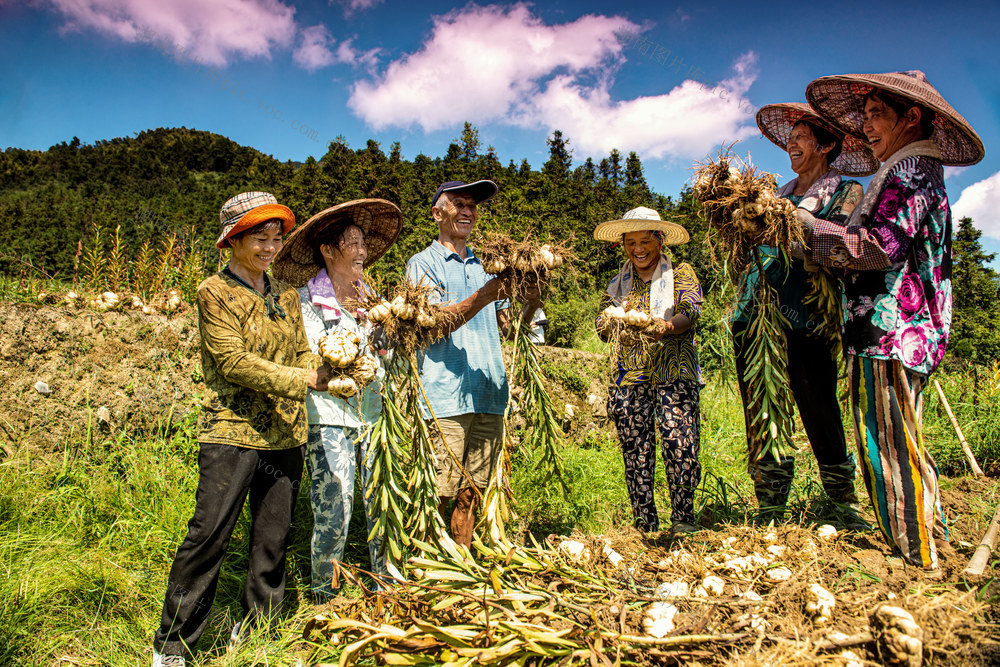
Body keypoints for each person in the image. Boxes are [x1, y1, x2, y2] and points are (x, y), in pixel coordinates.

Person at [802, 70, 984, 570]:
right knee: (902, 436)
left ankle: (915, 557)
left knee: (886, 442)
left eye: (877, 114)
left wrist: (807, 227)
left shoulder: (910, 172)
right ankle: (932, 540)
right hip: (900, 331)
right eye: (864, 116)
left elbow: (880, 246)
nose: (866, 126)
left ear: (912, 117)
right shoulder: (913, 172)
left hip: (890, 331)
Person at [152, 192, 330, 667]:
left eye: (277, 238)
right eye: (259, 238)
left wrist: (332, 367)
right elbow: (232, 361)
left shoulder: (286, 295)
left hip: (285, 433)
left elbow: (301, 353)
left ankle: (260, 631)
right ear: (233, 240)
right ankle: (172, 645)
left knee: (273, 537)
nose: (271, 247)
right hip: (231, 430)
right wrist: (305, 379)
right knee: (209, 535)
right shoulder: (215, 292)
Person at [736, 103, 876, 526]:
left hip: (807, 313)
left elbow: (839, 249)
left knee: (818, 403)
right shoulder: (774, 195)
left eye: (801, 136)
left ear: (826, 145)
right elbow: (748, 249)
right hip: (756, 311)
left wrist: (790, 227)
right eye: (790, 137)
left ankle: (841, 501)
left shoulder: (845, 193)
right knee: (762, 403)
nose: (791, 144)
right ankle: (770, 503)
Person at [272, 199, 402, 596]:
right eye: (353, 242)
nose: (362, 251)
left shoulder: (374, 303)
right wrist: (352, 357)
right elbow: (314, 357)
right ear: (328, 250)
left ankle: (387, 586)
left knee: (383, 501)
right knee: (335, 509)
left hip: (374, 415)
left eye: (364, 243)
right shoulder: (304, 301)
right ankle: (324, 594)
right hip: (328, 416)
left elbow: (388, 356)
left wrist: (390, 339)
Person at [405, 180, 541, 548]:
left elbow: (511, 328)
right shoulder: (423, 264)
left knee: (471, 493)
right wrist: (483, 296)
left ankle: (461, 563)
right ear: (437, 213)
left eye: (472, 205)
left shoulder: (490, 266)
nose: (468, 211)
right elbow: (429, 326)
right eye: (459, 204)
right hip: (444, 397)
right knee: (438, 492)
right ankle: (425, 566)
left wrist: (532, 300)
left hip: (489, 395)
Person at [594, 207, 703, 536]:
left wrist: (666, 326)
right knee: (636, 451)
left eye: (645, 241)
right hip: (630, 376)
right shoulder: (617, 284)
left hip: (674, 371)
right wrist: (609, 324)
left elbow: (690, 311)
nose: (638, 249)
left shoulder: (681, 273)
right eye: (631, 242)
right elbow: (602, 324)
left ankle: (683, 521)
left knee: (679, 442)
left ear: (659, 241)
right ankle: (645, 526)